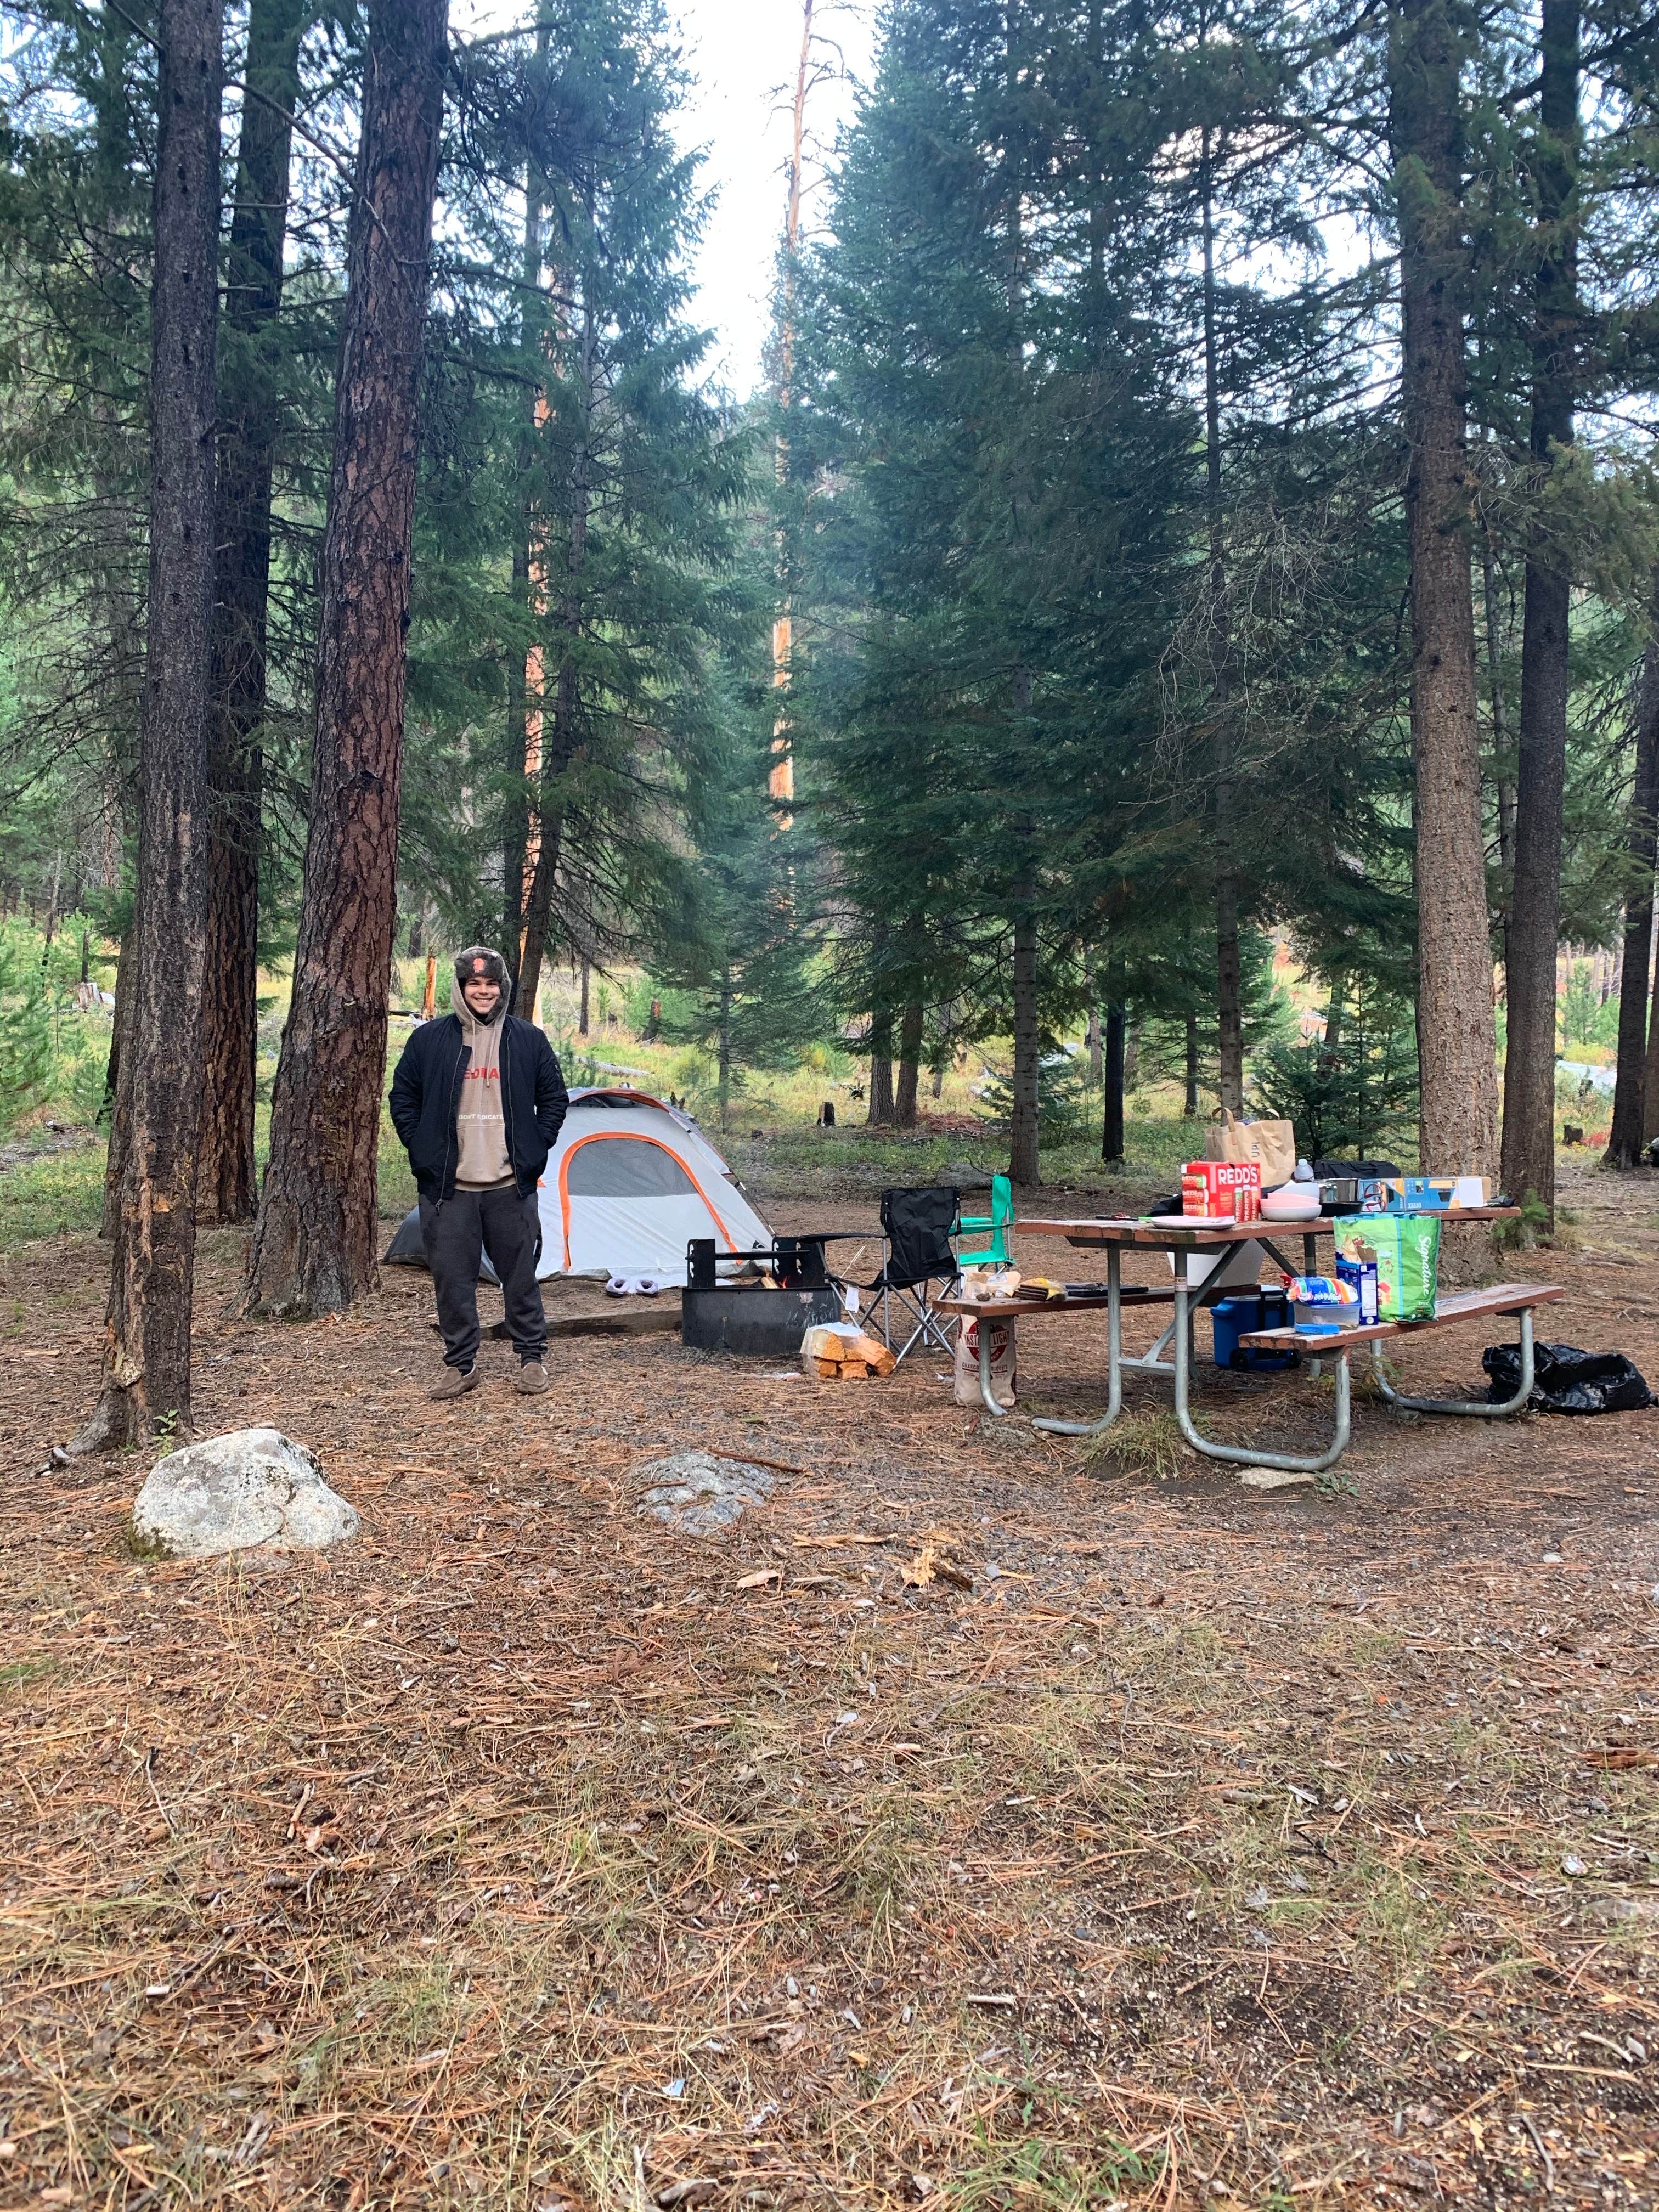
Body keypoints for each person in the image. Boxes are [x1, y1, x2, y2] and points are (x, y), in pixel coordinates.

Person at [388, 945, 569, 1399]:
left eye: (491, 984)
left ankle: (532, 1358)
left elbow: (554, 1099)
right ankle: (461, 1364)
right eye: (475, 984)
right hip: (450, 1188)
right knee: (453, 1280)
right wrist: (423, 1148)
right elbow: (402, 1099)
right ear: (461, 988)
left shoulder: (528, 1040)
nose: (483, 991)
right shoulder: (430, 1040)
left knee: (521, 1276)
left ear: (502, 989)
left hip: (511, 1185)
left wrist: (534, 1146)